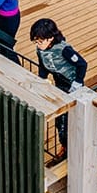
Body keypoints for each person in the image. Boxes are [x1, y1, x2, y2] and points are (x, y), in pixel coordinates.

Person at [30, 18, 87, 160]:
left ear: (50, 38)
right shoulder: (40, 49)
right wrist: (42, 78)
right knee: (60, 120)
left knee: (70, 119)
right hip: (59, 84)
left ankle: (73, 146)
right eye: (36, 42)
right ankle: (65, 145)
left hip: (72, 85)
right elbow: (42, 64)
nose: (38, 45)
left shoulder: (64, 49)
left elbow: (82, 64)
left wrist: (77, 83)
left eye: (40, 41)